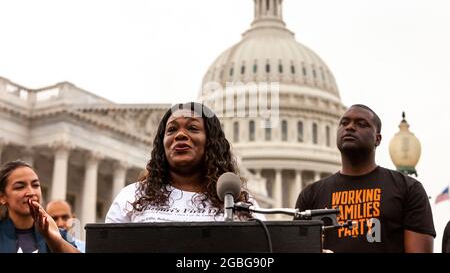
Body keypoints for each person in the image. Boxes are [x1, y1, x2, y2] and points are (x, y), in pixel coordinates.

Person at [294, 104, 435, 253]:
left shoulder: (408, 189)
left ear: (377, 139)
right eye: (344, 123)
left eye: (361, 124)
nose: (349, 127)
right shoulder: (311, 195)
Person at [106, 102, 264, 223]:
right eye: (171, 130)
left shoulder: (241, 204)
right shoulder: (132, 196)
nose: (180, 135)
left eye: (193, 128)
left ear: (211, 142)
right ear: (162, 144)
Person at [0, 160, 80, 253]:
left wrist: (55, 240)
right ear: (2, 197)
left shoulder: (60, 235)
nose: (31, 192)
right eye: (20, 187)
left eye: (35, 185)